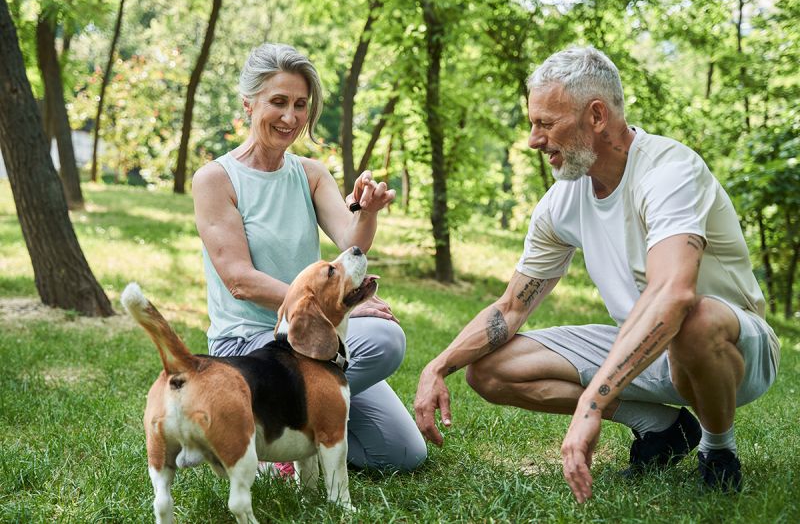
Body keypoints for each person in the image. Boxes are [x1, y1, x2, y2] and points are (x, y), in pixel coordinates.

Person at [413, 46, 779, 501]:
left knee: (694, 317)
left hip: (736, 351)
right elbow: (510, 308)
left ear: (597, 116)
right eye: (533, 124)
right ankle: (664, 429)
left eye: (546, 124)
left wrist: (593, 402)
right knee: (488, 370)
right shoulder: (563, 200)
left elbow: (673, 295)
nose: (533, 139)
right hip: (642, 344)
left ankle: (717, 448)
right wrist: (438, 366)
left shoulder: (670, 171)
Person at [193, 42, 427, 473]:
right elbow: (239, 279)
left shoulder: (311, 174)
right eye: (278, 102)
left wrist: (369, 212)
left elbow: (352, 239)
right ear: (248, 104)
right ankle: (265, 441)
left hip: (317, 343)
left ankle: (290, 440)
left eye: (300, 104)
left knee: (401, 454)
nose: (291, 116)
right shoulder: (216, 179)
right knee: (384, 341)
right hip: (252, 347)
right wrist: (325, 306)